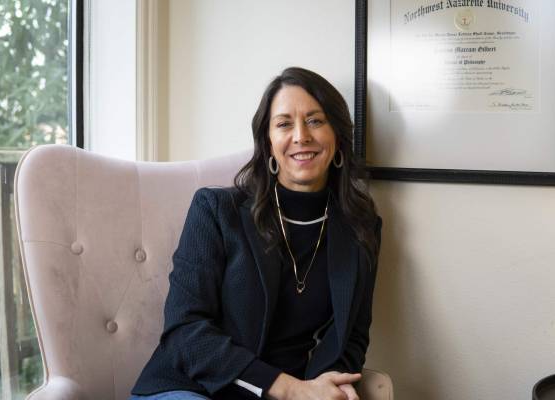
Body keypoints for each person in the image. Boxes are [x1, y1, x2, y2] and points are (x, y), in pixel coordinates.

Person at [129, 67, 382, 400]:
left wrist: (323, 388)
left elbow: (352, 336)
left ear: (337, 135)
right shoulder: (216, 211)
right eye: (284, 123)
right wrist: (290, 389)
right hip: (190, 386)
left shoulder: (360, 226)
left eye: (316, 121)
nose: (301, 136)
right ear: (268, 141)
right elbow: (184, 329)